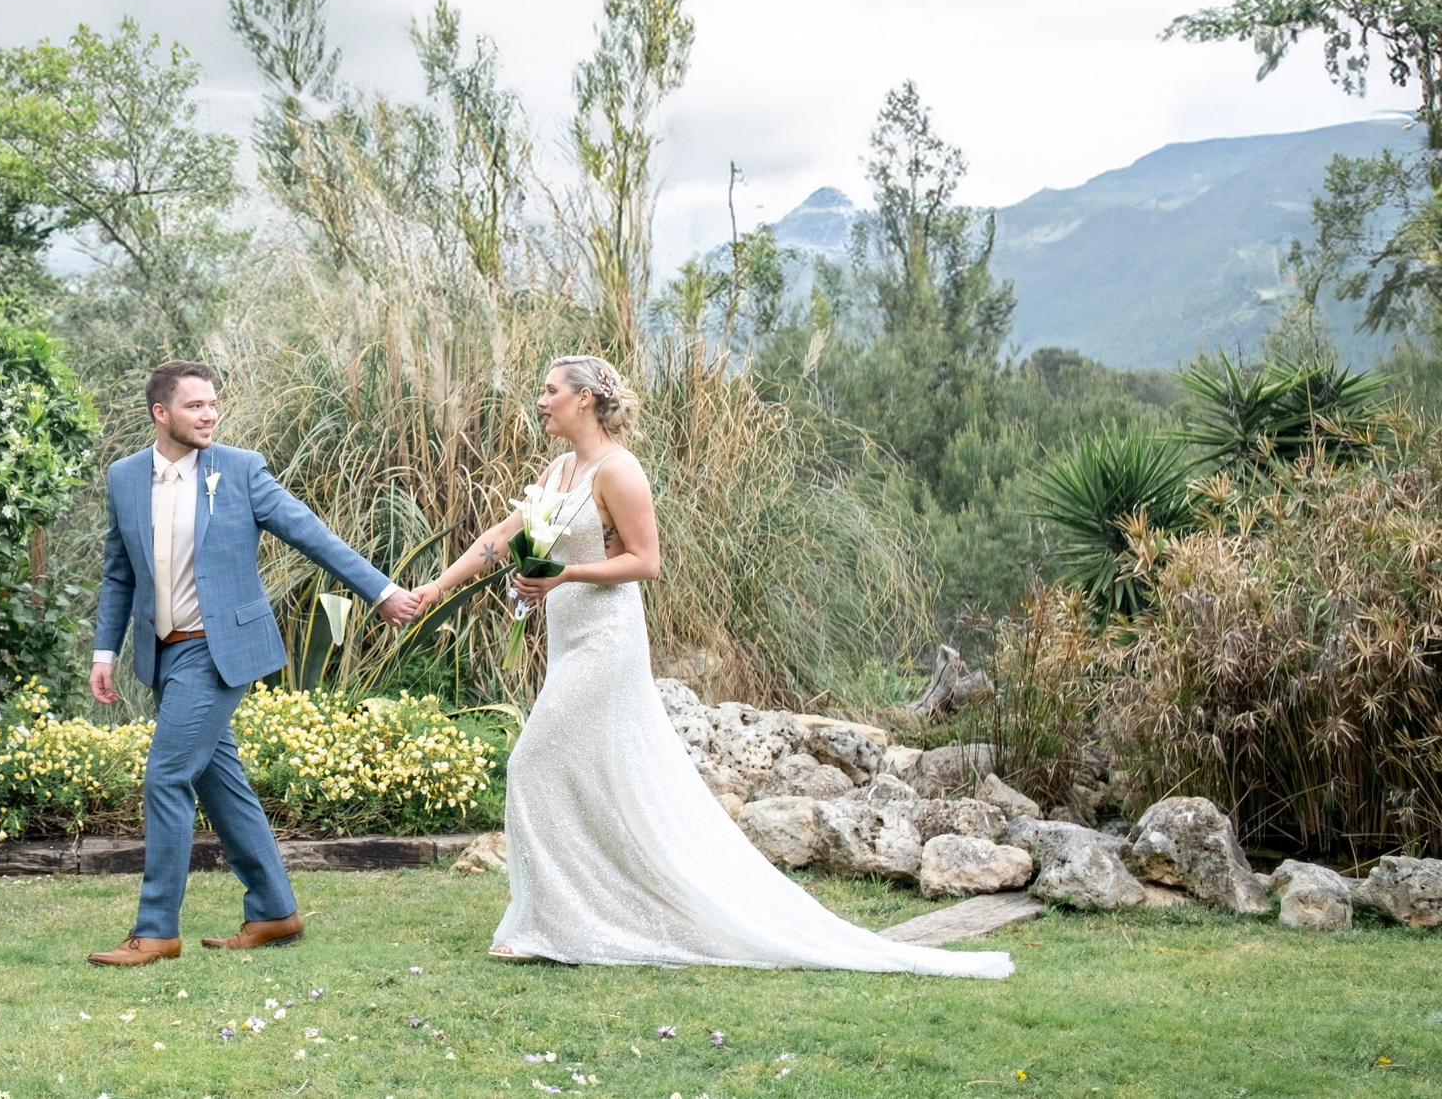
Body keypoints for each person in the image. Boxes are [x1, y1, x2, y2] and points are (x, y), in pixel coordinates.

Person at [405, 354, 1013, 978]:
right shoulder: (560, 469)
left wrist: (564, 574)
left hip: (606, 640)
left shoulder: (619, 470)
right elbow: (501, 538)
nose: (541, 400)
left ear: (584, 399)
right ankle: (579, 911)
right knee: (580, 773)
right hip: (566, 637)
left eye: (550, 389)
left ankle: (549, 922)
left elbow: (646, 562)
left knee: (532, 762)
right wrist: (436, 587)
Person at [84, 360, 424, 967]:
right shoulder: (125, 477)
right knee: (220, 784)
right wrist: (104, 651)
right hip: (163, 653)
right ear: (161, 413)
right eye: (194, 406)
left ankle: (156, 930)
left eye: (213, 404)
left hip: (218, 651)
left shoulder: (239, 470)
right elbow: (119, 572)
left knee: (166, 776)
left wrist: (380, 591)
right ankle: (273, 912)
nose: (209, 414)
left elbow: (309, 532)